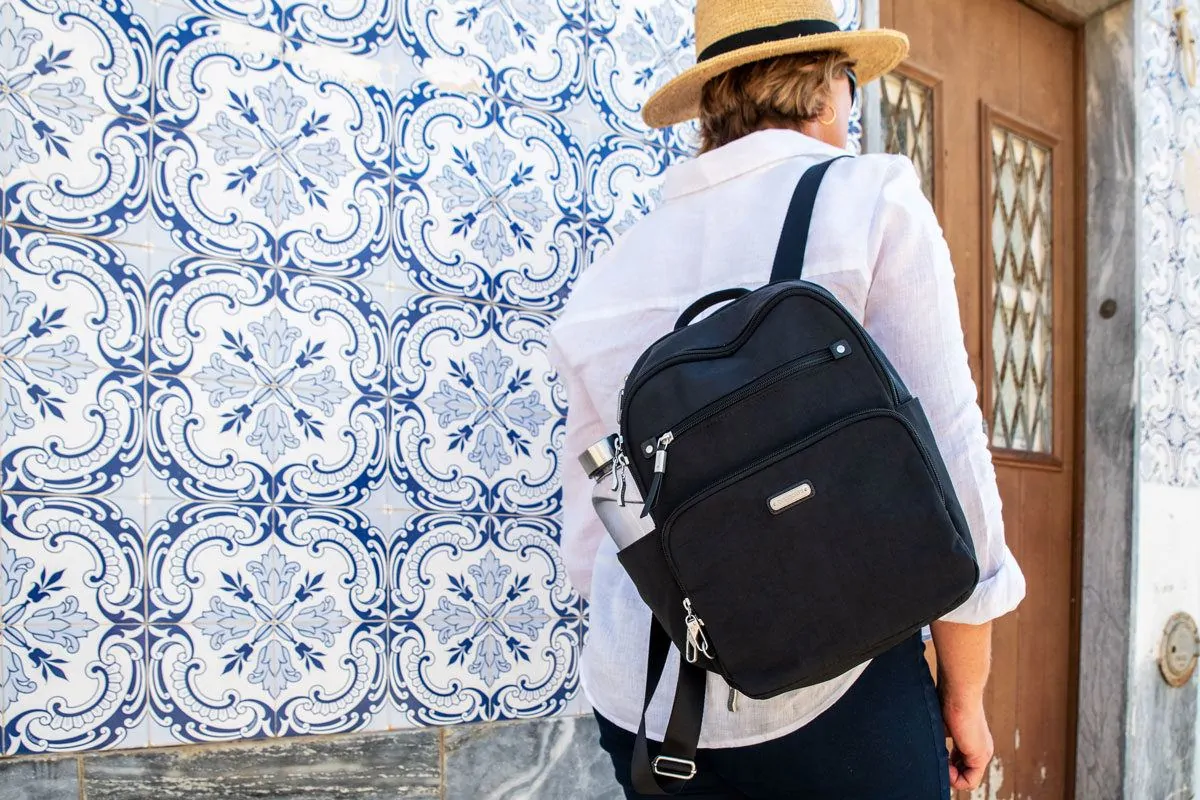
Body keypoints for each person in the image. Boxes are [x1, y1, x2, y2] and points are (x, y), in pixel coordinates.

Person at [547, 1, 1027, 797]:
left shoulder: (612, 272)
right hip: (836, 691)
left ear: (713, 104)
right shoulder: (868, 196)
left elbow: (597, 526)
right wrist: (965, 695)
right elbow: (950, 459)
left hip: (651, 710)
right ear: (831, 88)